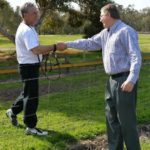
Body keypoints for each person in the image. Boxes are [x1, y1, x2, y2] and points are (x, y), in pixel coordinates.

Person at [56, 3, 142, 150]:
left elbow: (136, 56)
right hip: (111, 82)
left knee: (127, 124)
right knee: (111, 122)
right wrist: (68, 44)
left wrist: (131, 79)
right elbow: (89, 43)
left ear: (109, 15)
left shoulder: (126, 31)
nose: (100, 19)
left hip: (124, 80)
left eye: (101, 15)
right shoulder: (105, 33)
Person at [6, 2, 60, 136]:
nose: (37, 15)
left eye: (37, 12)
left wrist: (44, 52)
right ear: (25, 15)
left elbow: (34, 48)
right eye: (34, 13)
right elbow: (35, 49)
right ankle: (30, 127)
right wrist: (54, 47)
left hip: (28, 66)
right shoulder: (26, 30)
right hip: (29, 67)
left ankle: (12, 111)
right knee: (32, 97)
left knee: (27, 93)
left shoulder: (28, 27)